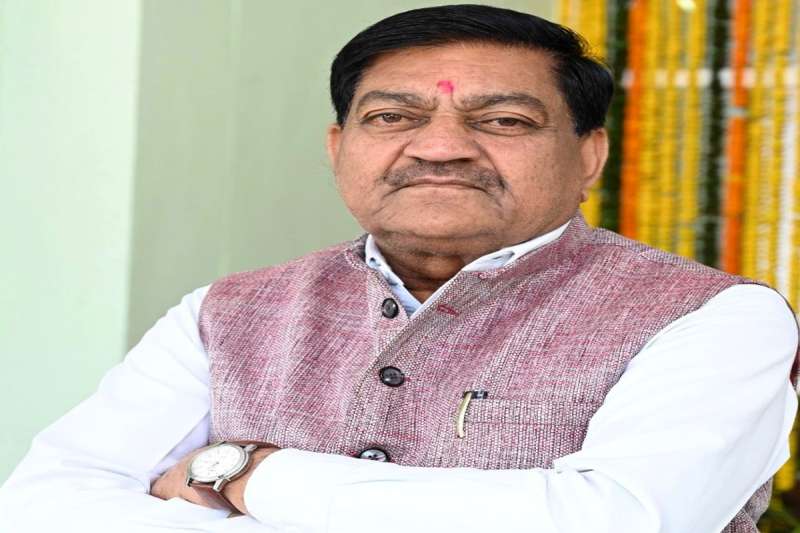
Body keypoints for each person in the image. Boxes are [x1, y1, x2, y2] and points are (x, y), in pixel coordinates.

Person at [1, 4, 798, 533]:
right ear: (338, 147)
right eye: (392, 116)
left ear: (590, 154)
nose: (441, 146)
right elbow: (45, 504)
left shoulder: (715, 319)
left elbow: (624, 519)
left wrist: (257, 475)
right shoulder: (227, 310)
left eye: (503, 120)